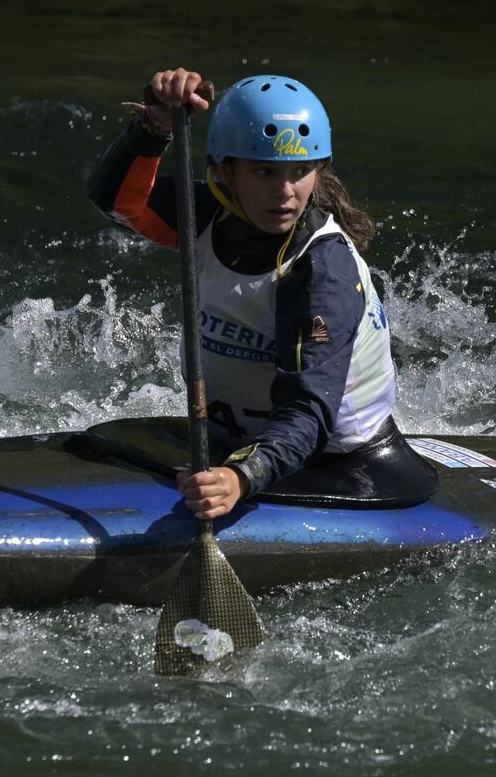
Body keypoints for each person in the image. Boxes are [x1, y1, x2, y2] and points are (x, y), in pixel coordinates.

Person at [87, 68, 415, 520]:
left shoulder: (321, 272)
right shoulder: (205, 215)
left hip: (337, 464)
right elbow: (115, 201)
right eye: (263, 171)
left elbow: (308, 409)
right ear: (225, 171)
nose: (284, 193)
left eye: (300, 172)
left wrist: (242, 477)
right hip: (235, 443)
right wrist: (155, 126)